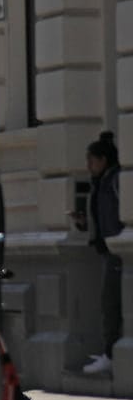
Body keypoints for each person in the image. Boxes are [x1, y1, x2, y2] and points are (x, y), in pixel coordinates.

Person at [79, 132, 124, 376]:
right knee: (109, 304)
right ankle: (111, 351)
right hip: (107, 251)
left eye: (92, 160)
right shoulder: (100, 184)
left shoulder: (115, 181)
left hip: (117, 252)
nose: (88, 165)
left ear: (103, 160)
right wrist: (84, 223)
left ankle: (111, 353)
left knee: (111, 305)